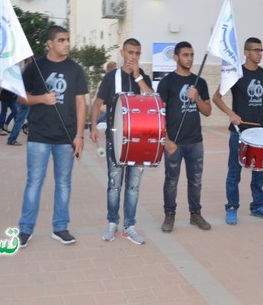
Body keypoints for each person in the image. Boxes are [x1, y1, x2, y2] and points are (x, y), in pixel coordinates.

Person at [18, 26, 87, 248]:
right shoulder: (35, 68)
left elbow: (80, 103)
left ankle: (60, 227)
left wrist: (79, 136)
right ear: (50, 43)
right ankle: (26, 229)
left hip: (66, 137)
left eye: (67, 40)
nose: (66, 44)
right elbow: (21, 97)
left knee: (64, 183)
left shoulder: (75, 70)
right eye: (61, 40)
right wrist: (41, 99)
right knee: (34, 183)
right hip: (39, 136)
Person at [90, 38, 153, 244]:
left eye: (137, 54)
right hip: (115, 141)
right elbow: (98, 102)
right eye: (130, 53)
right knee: (114, 184)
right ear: (122, 53)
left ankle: (130, 226)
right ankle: (112, 223)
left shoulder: (143, 77)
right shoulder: (111, 78)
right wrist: (93, 127)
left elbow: (152, 99)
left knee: (133, 186)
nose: (134, 57)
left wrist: (137, 78)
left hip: (139, 142)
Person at [212, 37, 263, 224]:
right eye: (256, 50)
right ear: (246, 53)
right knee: (234, 172)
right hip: (239, 132)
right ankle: (232, 207)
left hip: (258, 130)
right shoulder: (235, 73)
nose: (259, 53)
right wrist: (231, 114)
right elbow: (216, 98)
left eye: (261, 50)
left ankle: (258, 206)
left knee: (259, 171)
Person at [157, 41, 212, 232]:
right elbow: (160, 114)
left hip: (195, 141)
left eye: (191, 55)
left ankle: (195, 214)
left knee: (195, 180)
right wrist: (166, 139)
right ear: (176, 57)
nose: (189, 58)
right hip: (174, 142)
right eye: (185, 55)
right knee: (171, 180)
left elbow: (207, 111)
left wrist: (196, 98)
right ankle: (169, 215)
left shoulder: (200, 82)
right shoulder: (167, 82)